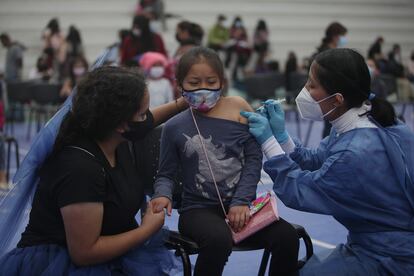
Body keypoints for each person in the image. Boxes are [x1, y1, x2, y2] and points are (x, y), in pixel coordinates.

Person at [241, 48, 414, 275]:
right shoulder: (365, 120)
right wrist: (282, 137)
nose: (305, 91)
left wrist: (268, 143)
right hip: (379, 243)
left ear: (338, 99)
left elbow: (300, 190)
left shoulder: (354, 153)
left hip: (389, 257)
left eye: (312, 85)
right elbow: (318, 161)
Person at [0, 66, 188, 275]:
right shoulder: (79, 168)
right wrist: (146, 230)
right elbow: (84, 253)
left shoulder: (112, 135)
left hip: (107, 251)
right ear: (121, 124)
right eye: (142, 114)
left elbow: (149, 120)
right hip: (66, 263)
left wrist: (183, 103)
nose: (147, 120)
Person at [151, 46, 299, 276]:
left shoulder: (239, 108)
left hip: (243, 208)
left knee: (287, 237)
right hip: (197, 212)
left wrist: (240, 202)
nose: (203, 89)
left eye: (211, 82)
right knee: (219, 239)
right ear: (179, 85)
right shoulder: (173, 126)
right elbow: (165, 173)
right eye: (194, 83)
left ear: (222, 81)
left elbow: (253, 159)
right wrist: (162, 194)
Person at [312, 22, 348, 138]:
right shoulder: (325, 52)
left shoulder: (333, 51)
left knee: (334, 125)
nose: (344, 39)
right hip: (326, 93)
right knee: (330, 125)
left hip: (332, 92)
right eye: (343, 35)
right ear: (335, 36)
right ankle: (327, 151)